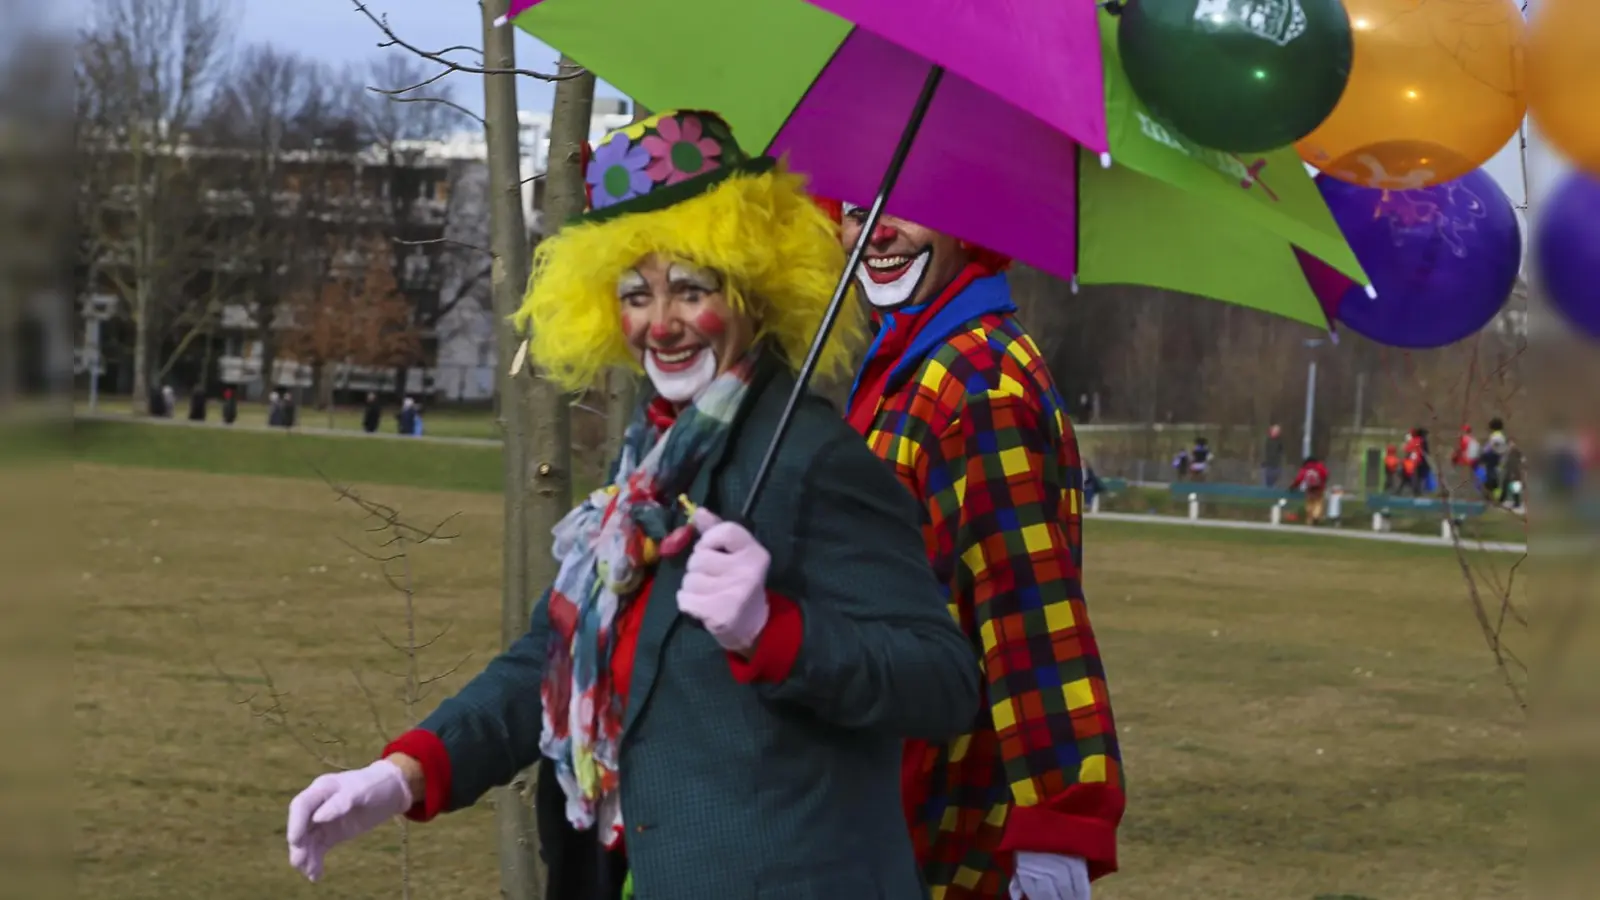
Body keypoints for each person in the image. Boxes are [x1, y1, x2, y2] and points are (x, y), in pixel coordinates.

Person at [284, 110, 980, 900]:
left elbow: (943, 682)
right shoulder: (651, 467)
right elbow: (549, 655)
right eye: (635, 294)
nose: (662, 323)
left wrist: (774, 632)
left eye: (691, 289)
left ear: (754, 291)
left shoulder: (815, 460)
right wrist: (405, 773)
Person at [826, 200, 1124, 898]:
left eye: (909, 206)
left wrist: (1057, 822)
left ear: (969, 220)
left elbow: (1026, 603)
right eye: (854, 210)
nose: (878, 231)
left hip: (946, 817)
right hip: (879, 797)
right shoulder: (909, 362)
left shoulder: (978, 383)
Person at [1291, 455, 1330, 526]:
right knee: (1318, 503)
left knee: (1309, 504)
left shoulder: (1305, 468)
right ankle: (1316, 516)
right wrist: (1323, 483)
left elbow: (1299, 479)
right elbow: (1325, 475)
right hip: (1319, 488)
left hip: (1310, 489)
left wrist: (1293, 486)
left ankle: (1310, 520)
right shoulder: (1320, 466)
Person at [1263, 424, 1285, 488]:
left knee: (1275, 482)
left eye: (1277, 432)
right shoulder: (1268, 440)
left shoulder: (1280, 442)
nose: (1275, 433)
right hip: (1268, 465)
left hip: (1276, 465)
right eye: (1274, 431)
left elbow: (1281, 452)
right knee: (1267, 482)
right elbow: (1265, 452)